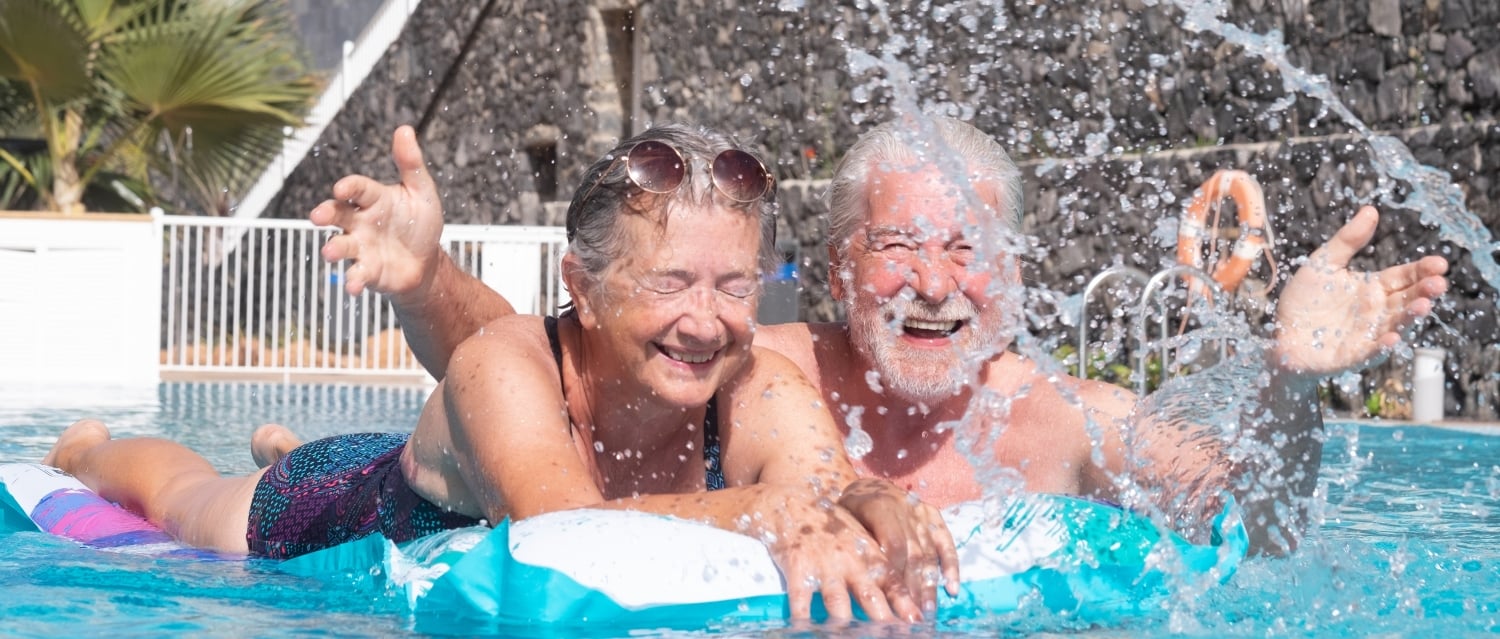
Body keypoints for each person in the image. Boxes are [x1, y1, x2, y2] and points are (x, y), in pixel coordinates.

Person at [298, 115, 1449, 556]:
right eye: (900, 249)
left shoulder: (1060, 419)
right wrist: (425, 281)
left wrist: (1294, 387)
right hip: (415, 493)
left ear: (1013, 280)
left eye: (969, 253)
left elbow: (1265, 527)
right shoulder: (759, 363)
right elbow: (552, 366)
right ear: (840, 270)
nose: (935, 286)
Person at [43, 124, 960, 622]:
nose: (706, 319)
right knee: (190, 500)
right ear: (585, 290)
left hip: (441, 471)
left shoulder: (748, 373)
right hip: (333, 509)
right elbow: (561, 523)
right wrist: (769, 509)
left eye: (732, 285)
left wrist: (871, 500)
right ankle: (95, 451)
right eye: (671, 281)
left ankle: (282, 438)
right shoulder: (504, 364)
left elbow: (825, 491)